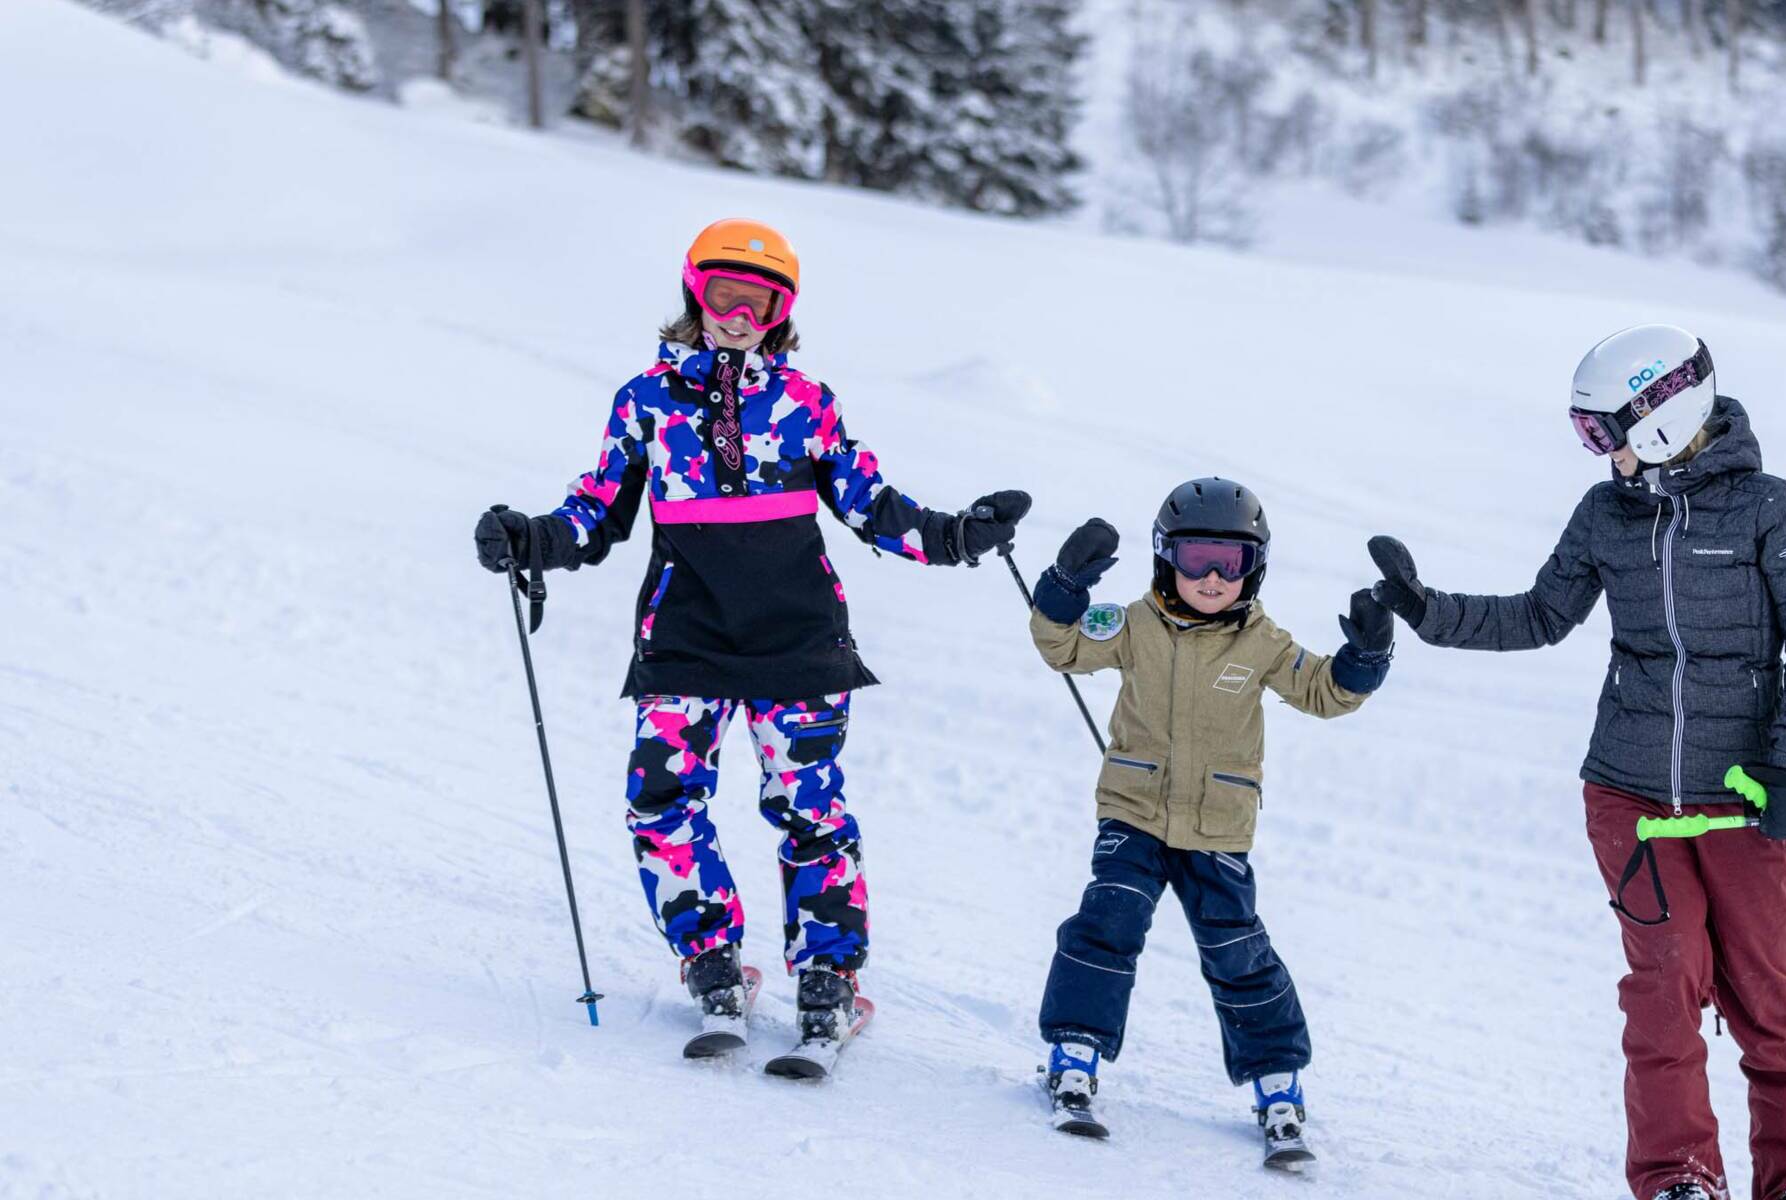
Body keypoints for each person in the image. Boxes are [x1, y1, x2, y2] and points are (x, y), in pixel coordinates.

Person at [471, 218, 1028, 1069]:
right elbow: (596, 513)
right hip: (684, 631)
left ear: (781, 311)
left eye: (758, 301)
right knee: (661, 802)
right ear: (696, 293)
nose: (739, 314)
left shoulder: (807, 405)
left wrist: (957, 535)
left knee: (809, 808)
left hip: (797, 636)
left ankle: (827, 984)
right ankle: (715, 966)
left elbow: (872, 504)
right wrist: (531, 539)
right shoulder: (645, 401)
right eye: (724, 295)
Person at [1364, 325, 1786, 1200]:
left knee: (1769, 1002)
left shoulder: (1772, 508)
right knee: (1663, 990)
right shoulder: (1604, 515)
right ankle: (1678, 1179)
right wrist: (1427, 611)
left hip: (1743, 798)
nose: (1596, 453)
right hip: (1626, 793)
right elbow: (1539, 616)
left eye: (1602, 432)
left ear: (1661, 415)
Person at [1024, 478, 1392, 1166]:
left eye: (1231, 559)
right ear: (1167, 557)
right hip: (1132, 814)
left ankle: (1277, 1089)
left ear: (1255, 565)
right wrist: (1062, 586)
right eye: (1197, 558)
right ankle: (1073, 1059)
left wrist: (1364, 659)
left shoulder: (1262, 642)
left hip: (1218, 827)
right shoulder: (1132, 624)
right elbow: (1063, 649)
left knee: (1237, 954)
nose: (1215, 576)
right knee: (1107, 925)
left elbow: (1323, 692)